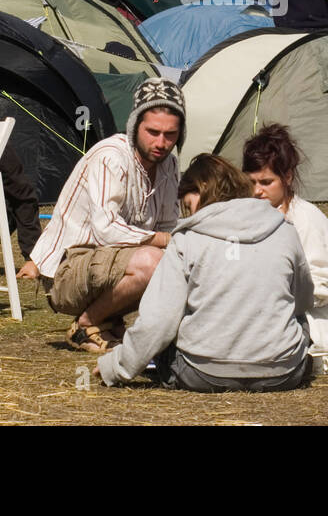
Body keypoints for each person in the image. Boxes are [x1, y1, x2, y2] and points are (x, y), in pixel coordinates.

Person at [94, 153, 314, 392]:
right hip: (282, 373)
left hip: (203, 374)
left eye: (188, 206)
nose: (190, 215)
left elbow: (158, 322)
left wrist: (115, 367)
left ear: (202, 190)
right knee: (299, 320)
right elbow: (302, 300)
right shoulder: (285, 230)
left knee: (170, 327)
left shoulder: (187, 239)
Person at [18, 78, 183, 354]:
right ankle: (87, 323)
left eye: (170, 135)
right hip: (68, 271)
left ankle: (109, 321)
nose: (161, 142)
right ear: (134, 127)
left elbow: (168, 223)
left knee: (177, 262)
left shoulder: (169, 164)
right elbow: (107, 229)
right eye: (153, 132)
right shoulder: (112, 157)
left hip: (109, 264)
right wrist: (165, 239)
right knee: (154, 261)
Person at [243, 124, 328, 355]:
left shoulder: (306, 220)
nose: (257, 191)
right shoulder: (254, 214)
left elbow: (319, 291)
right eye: (251, 183)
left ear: (287, 177)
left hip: (312, 325)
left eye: (266, 182)